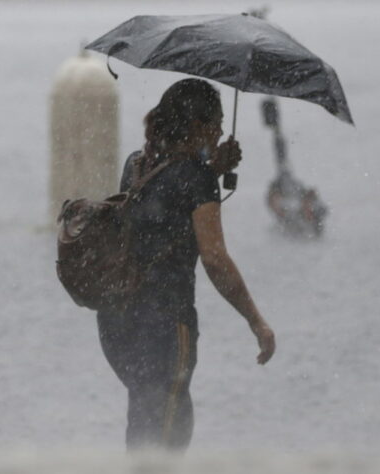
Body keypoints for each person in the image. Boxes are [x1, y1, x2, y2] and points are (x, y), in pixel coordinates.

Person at [96, 78, 276, 451]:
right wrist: (255, 320)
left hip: (118, 321)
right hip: (163, 323)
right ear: (198, 126)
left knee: (146, 418)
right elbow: (214, 258)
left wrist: (209, 169)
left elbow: (159, 213)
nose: (222, 131)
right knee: (169, 429)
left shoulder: (137, 163)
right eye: (218, 122)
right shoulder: (196, 180)